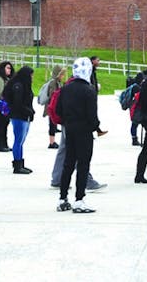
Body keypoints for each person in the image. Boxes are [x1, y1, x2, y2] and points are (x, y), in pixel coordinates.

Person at [56, 57, 101, 214]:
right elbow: (92, 116)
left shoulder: (66, 88)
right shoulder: (89, 90)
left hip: (70, 129)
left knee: (68, 163)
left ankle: (62, 198)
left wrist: (68, 121)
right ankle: (79, 199)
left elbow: (58, 110)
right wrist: (95, 127)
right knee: (83, 164)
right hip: (84, 131)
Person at [4, 65, 35, 174]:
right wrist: (28, 111)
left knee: (20, 141)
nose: (32, 78)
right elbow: (17, 103)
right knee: (18, 140)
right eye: (31, 75)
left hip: (23, 116)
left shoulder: (23, 85)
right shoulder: (18, 86)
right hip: (19, 116)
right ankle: (17, 164)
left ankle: (20, 162)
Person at [44, 66, 66, 149]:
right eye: (62, 74)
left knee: (53, 124)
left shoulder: (58, 82)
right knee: (52, 124)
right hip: (52, 106)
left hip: (54, 106)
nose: (63, 76)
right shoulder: (54, 83)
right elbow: (52, 94)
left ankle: (52, 141)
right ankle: (51, 142)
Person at [89, 55, 108, 137]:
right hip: (91, 94)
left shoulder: (93, 70)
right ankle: (96, 130)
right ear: (92, 61)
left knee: (92, 113)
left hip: (93, 94)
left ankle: (97, 130)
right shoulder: (90, 71)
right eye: (97, 60)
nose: (99, 62)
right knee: (91, 113)